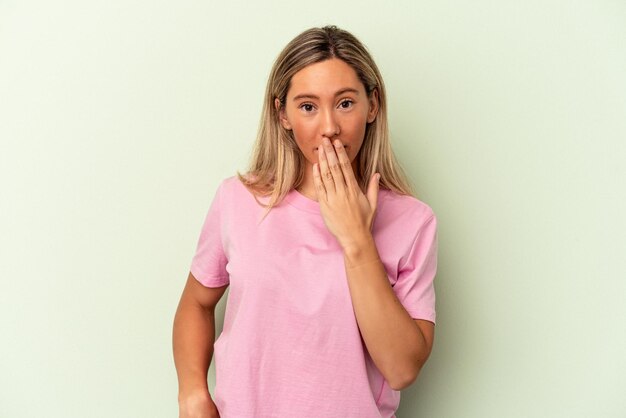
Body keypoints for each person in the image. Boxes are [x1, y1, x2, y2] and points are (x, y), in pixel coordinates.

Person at [172, 25, 438, 418]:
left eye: (345, 103)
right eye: (308, 106)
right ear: (283, 114)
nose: (329, 126)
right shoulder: (238, 200)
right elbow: (196, 302)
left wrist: (356, 240)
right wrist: (193, 392)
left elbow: (401, 369)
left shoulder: (413, 221)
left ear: (373, 105)